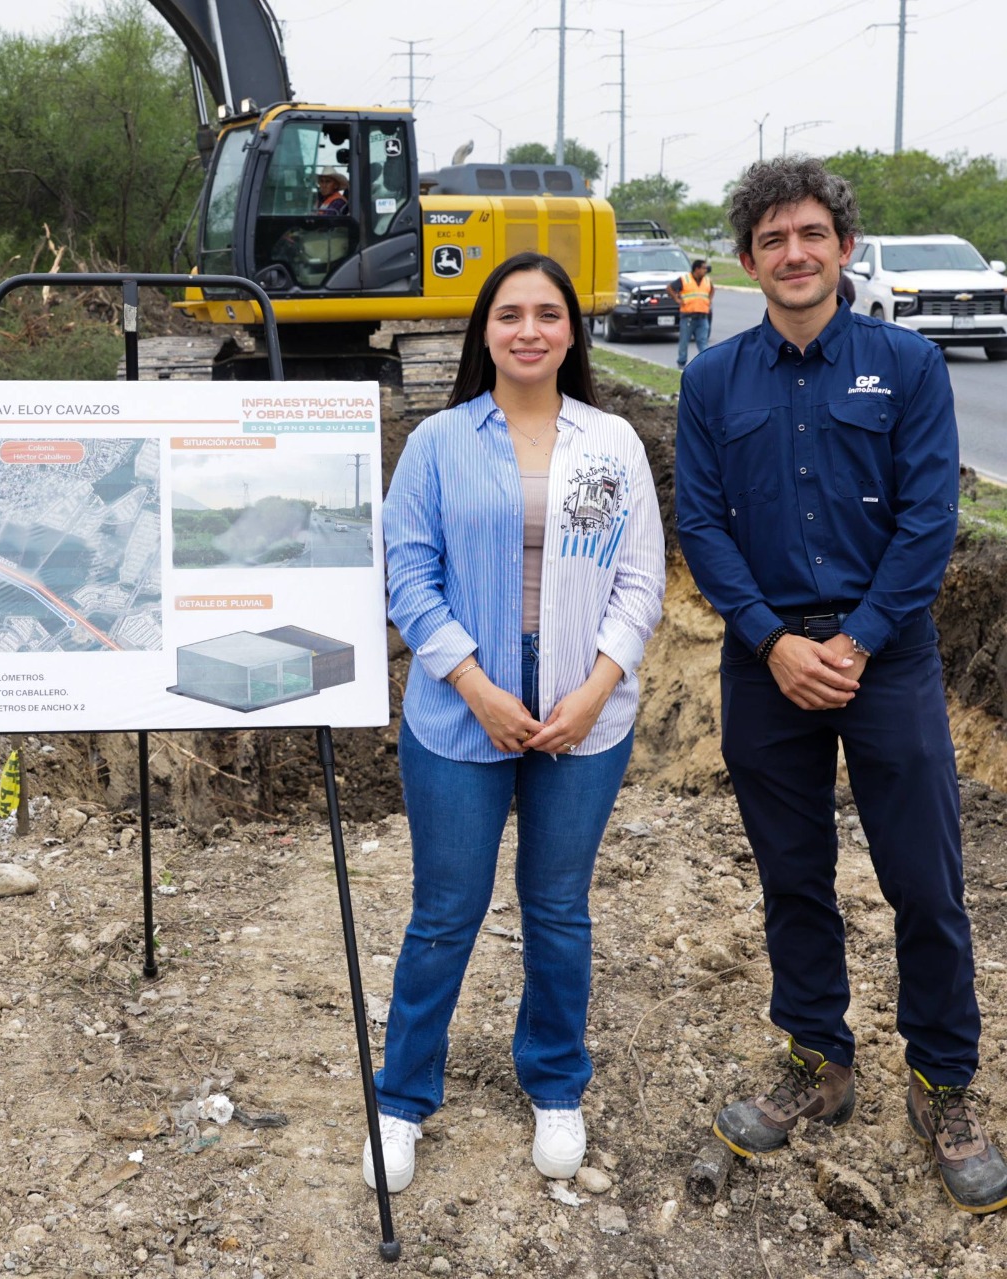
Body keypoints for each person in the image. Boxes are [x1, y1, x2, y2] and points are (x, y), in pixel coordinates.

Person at [675, 155, 1007, 1214]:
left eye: (809, 233)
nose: (793, 253)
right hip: (765, 660)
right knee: (793, 875)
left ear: (843, 247)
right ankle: (817, 1060)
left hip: (886, 656)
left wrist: (855, 643)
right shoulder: (709, 381)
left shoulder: (905, 367)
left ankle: (943, 1082)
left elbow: (926, 520)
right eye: (771, 239)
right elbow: (701, 526)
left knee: (925, 880)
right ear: (746, 260)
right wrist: (772, 641)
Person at [371, 251, 665, 1192]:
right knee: (446, 912)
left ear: (572, 330)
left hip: (585, 718)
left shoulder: (611, 441)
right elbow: (406, 575)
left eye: (547, 313)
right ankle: (403, 1096)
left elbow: (640, 580)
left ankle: (555, 1082)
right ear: (484, 331)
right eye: (509, 314)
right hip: (463, 713)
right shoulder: (438, 442)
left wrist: (593, 689)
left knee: (557, 910)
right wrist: (475, 683)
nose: (528, 329)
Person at [667, 257, 713, 368]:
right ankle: (681, 364)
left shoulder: (707, 280)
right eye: (703, 268)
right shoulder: (685, 279)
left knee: (703, 342)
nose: (705, 270)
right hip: (688, 317)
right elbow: (670, 288)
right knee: (684, 342)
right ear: (697, 269)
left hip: (702, 317)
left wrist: (708, 301)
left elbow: (712, 290)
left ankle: (706, 364)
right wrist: (677, 299)